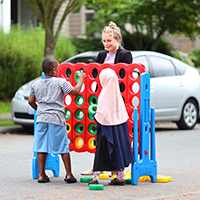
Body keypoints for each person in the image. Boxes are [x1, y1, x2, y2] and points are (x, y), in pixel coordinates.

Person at [81, 21, 133, 176]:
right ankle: (98, 166)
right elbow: (96, 75)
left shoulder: (125, 55)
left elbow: (125, 78)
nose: (106, 44)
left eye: (109, 41)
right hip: (102, 99)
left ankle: (116, 168)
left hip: (117, 100)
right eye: (104, 41)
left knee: (115, 135)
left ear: (117, 40)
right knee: (101, 134)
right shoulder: (102, 55)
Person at [28, 56, 86, 183]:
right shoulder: (60, 82)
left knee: (41, 147)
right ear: (54, 70)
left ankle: (42, 175)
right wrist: (81, 79)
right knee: (62, 147)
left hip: (42, 119)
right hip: (56, 119)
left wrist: (39, 109)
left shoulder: (36, 84)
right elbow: (76, 91)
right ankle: (69, 175)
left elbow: (31, 101)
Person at [88, 68, 133, 185]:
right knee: (117, 149)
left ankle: (95, 178)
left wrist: (95, 115)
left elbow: (102, 114)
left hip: (106, 128)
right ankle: (120, 176)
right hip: (119, 128)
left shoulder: (104, 95)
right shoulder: (117, 95)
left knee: (101, 152)